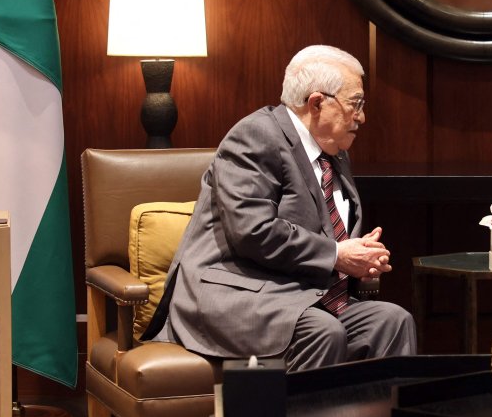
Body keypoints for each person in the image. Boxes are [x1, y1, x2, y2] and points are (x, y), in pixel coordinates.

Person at [143, 45, 416, 371]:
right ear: (317, 102)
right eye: (355, 104)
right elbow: (253, 231)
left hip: (304, 294)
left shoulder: (335, 150)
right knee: (321, 331)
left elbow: (328, 230)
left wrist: (358, 257)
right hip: (239, 293)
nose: (362, 117)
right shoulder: (256, 136)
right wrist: (337, 255)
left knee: (392, 320)